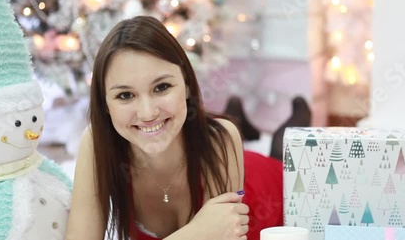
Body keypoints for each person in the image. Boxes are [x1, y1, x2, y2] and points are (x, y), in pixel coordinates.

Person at [65, 16, 283, 240]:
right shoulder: (97, 143)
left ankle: (278, 128)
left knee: (283, 153)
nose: (148, 113)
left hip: (271, 196)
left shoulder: (221, 140)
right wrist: (197, 232)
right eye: (125, 95)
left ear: (188, 86)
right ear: (106, 105)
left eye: (161, 87)